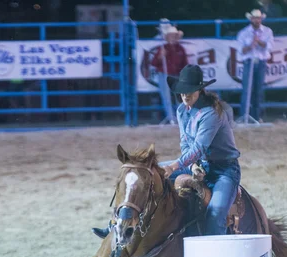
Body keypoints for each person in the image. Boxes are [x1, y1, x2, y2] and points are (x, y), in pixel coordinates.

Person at [91, 65, 241, 238]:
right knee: (143, 175)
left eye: (189, 91)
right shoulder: (182, 111)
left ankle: (218, 252)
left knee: (215, 214)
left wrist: (175, 166)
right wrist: (192, 166)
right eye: (182, 92)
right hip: (198, 164)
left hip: (225, 170)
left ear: (200, 90)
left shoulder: (212, 114)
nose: (185, 95)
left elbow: (199, 147)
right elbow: (185, 143)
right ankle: (115, 224)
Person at [236, 9, 274, 123]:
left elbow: (269, 46)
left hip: (261, 62)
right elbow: (241, 50)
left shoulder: (267, 31)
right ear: (251, 19)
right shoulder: (244, 33)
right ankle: (244, 116)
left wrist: (259, 42)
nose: (257, 20)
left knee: (258, 90)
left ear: (261, 19)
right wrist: (251, 44)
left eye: (258, 18)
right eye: (255, 18)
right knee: (247, 90)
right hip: (248, 62)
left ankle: (256, 117)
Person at [150, 24, 189, 125]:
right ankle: (171, 118)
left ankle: (179, 118)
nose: (173, 38)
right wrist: (160, 56)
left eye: (174, 36)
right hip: (164, 74)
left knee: (178, 97)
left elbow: (185, 63)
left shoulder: (180, 49)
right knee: (166, 97)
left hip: (176, 75)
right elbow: (154, 63)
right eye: (171, 36)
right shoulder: (163, 48)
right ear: (167, 37)